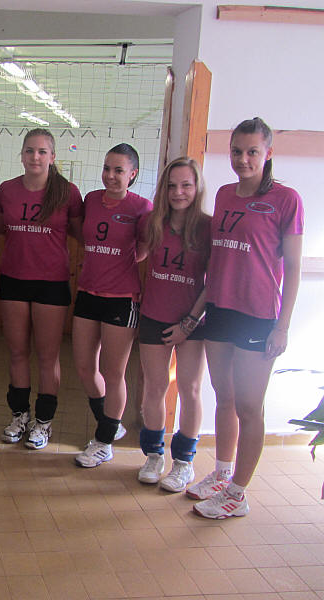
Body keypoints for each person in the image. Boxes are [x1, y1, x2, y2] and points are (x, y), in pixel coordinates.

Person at [190, 117, 303, 519]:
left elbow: (293, 267)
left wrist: (282, 326)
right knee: (224, 396)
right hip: (220, 310)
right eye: (237, 151)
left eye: (252, 151)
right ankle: (222, 474)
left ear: (268, 153)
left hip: (258, 316)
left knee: (250, 407)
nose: (243, 159)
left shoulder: (286, 199)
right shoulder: (223, 194)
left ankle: (238, 493)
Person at [0, 128, 83, 450]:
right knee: (17, 352)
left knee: (47, 356)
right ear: (21, 155)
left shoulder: (67, 192)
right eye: (29, 150)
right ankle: (19, 415)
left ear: (52, 157)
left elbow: (81, 234)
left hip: (51, 283)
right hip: (13, 279)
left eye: (42, 151)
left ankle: (43, 421)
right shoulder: (7, 190)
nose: (35, 157)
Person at [73, 143, 152, 467]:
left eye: (119, 170)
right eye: (107, 168)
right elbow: (84, 235)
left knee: (113, 372)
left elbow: (144, 249)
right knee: (84, 367)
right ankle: (111, 423)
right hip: (88, 292)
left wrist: (119, 263)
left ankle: (104, 441)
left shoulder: (141, 207)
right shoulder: (91, 200)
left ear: (132, 174)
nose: (110, 175)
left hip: (121, 298)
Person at [136, 157, 210, 491]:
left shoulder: (208, 227)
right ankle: (154, 455)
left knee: (190, 389)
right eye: (171, 186)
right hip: (154, 316)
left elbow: (212, 282)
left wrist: (189, 323)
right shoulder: (153, 222)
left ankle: (184, 462)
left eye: (186, 185)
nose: (178, 192)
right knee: (154, 388)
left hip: (192, 322)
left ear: (197, 188)